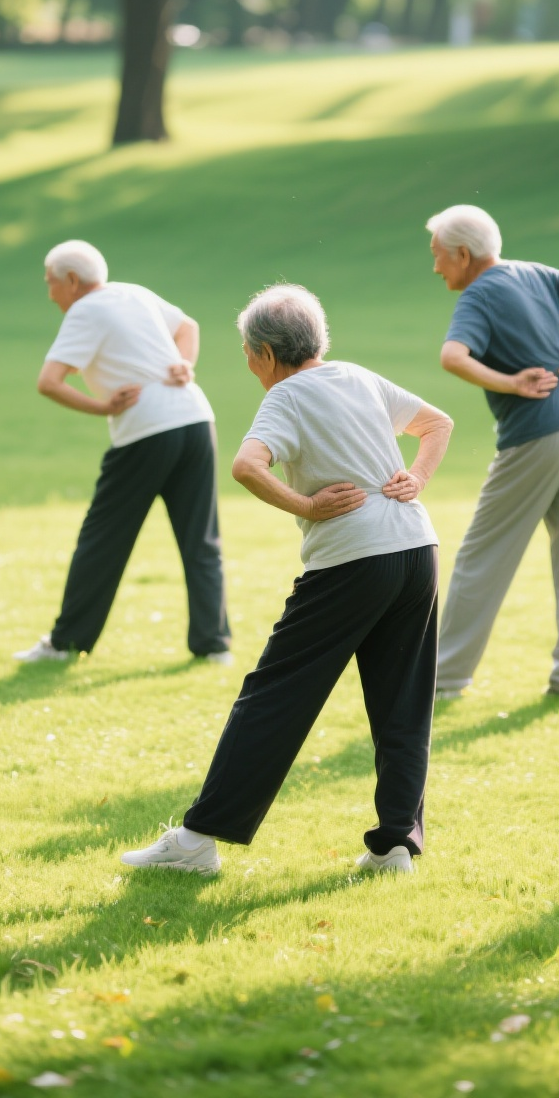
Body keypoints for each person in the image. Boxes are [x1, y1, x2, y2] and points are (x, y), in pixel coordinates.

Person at [120, 284, 453, 875]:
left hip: (355, 559)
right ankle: (396, 847)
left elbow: (246, 465)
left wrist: (308, 505)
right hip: (416, 551)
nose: (248, 365)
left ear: (269, 354)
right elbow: (437, 423)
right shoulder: (358, 376)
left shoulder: (286, 396)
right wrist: (417, 477)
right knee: (403, 704)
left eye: (248, 354)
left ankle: (197, 843)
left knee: (272, 697)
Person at [427, 205, 559, 701]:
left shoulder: (479, 294)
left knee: (480, 557)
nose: (436, 268)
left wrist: (511, 383)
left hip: (539, 434)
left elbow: (452, 356)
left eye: (439, 256)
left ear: (464, 255)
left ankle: (444, 679)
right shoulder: (534, 272)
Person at [11, 241, 231, 665]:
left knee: (102, 539)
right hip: (196, 420)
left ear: (72, 281)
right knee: (201, 539)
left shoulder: (85, 310)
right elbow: (189, 327)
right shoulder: (134, 292)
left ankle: (65, 644)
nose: (50, 293)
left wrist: (103, 407)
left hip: (147, 432)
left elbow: (49, 381)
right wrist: (186, 364)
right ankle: (213, 645)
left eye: (51, 283)